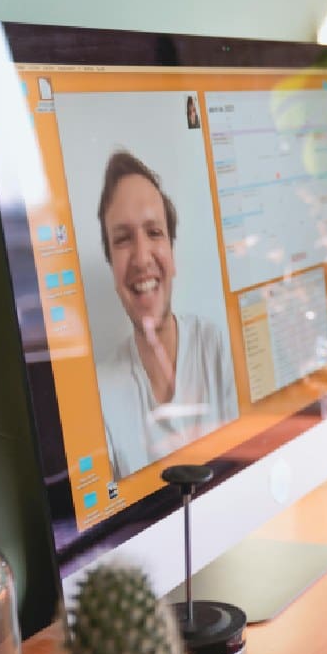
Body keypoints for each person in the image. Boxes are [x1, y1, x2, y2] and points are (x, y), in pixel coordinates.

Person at [95, 150, 237, 480]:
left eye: (154, 232)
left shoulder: (218, 346)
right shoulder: (99, 394)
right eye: (123, 239)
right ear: (112, 268)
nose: (142, 257)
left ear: (172, 255)